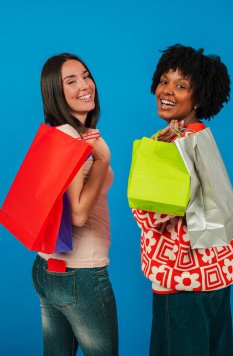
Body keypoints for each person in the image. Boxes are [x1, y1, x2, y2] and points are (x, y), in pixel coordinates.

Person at [132, 44, 233, 356]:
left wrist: (155, 154)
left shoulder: (171, 145)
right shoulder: (202, 137)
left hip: (181, 284)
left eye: (182, 86)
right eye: (164, 81)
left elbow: (147, 216)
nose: (167, 91)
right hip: (216, 280)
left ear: (199, 97)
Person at [32, 53, 118, 356]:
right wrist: (103, 159)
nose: (85, 85)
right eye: (71, 81)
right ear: (56, 92)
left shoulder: (69, 135)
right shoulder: (67, 137)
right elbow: (79, 214)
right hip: (81, 274)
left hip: (51, 268)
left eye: (85, 75)